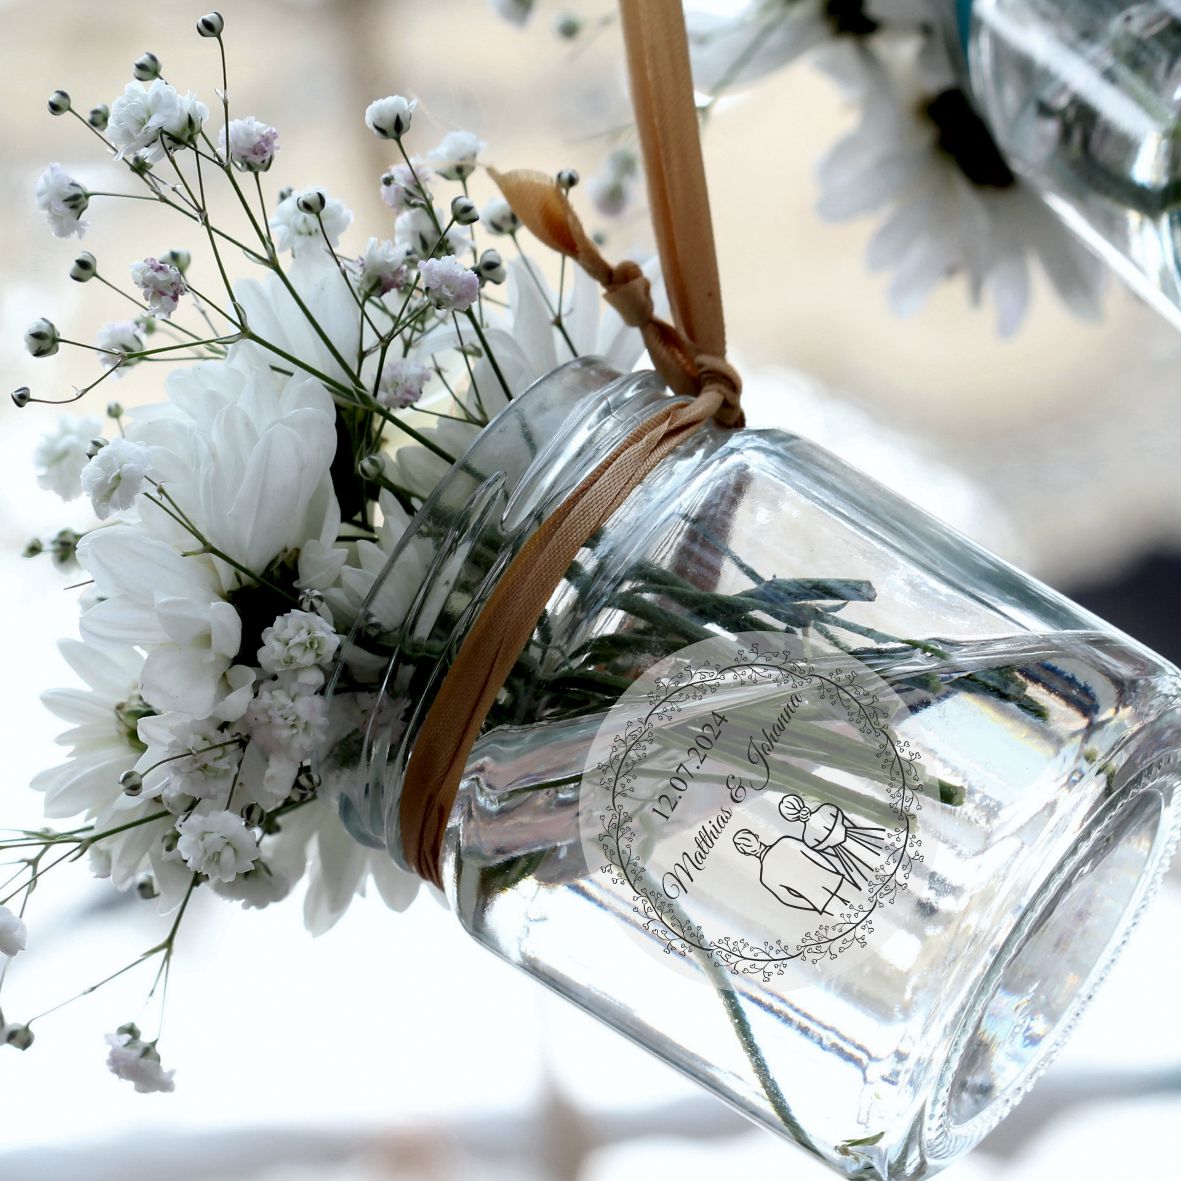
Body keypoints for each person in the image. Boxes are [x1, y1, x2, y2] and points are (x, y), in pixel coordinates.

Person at [732, 827, 856, 914]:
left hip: (835, 887)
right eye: (742, 845)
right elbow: (787, 898)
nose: (746, 845)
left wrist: (834, 875)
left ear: (756, 837)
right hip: (828, 899)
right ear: (743, 852)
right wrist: (816, 903)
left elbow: (815, 856)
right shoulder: (765, 875)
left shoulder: (784, 843)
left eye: (746, 840)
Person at [777, 794, 886, 890]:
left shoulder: (808, 838)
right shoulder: (824, 809)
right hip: (861, 840)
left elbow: (834, 860)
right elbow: (851, 823)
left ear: (791, 818)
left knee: (866, 873)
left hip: (849, 858)